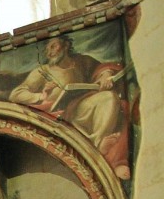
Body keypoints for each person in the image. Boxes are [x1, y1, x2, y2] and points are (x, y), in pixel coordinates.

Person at [9, 35, 129, 178]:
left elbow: (102, 68)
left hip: (83, 106)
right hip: (63, 116)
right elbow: (16, 94)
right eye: (47, 49)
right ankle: (97, 148)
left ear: (65, 45)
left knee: (110, 98)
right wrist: (40, 96)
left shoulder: (82, 62)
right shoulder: (43, 71)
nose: (49, 52)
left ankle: (98, 143)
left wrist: (105, 75)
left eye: (53, 46)